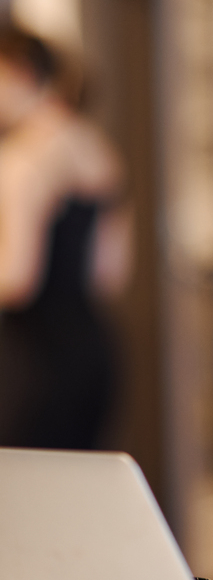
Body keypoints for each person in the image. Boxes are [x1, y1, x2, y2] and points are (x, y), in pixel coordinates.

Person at [0, 27, 128, 449]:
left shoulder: (22, 159)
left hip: (30, 360)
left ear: (16, 73)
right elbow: (110, 274)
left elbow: (17, 279)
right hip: (91, 350)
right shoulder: (97, 151)